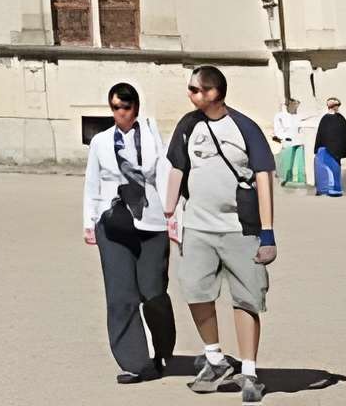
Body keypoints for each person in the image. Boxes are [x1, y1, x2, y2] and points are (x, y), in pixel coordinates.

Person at [163, 63, 280, 403]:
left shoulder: (244, 127)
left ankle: (249, 371)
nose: (190, 94)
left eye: (195, 89)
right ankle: (214, 358)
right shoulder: (188, 125)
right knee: (195, 290)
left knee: (246, 298)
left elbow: (263, 177)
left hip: (240, 230)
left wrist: (268, 232)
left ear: (213, 92)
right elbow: (177, 166)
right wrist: (168, 209)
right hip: (198, 227)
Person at [83, 81, 178, 383]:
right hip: (112, 223)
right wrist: (90, 222)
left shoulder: (151, 135)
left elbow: (163, 173)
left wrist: (173, 216)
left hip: (151, 221)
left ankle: (163, 347)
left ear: (135, 108)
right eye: (115, 108)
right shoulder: (100, 141)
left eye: (125, 107)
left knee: (152, 292)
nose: (120, 113)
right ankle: (135, 362)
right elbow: (92, 183)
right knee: (121, 295)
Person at [311, 95, 346, 200]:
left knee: (335, 170)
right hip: (325, 149)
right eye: (335, 105)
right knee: (325, 169)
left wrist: (342, 149)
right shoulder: (324, 119)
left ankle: (335, 190)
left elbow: (345, 134)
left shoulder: (341, 119)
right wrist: (317, 148)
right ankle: (323, 189)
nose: (337, 107)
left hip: (336, 150)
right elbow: (320, 134)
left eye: (338, 105)